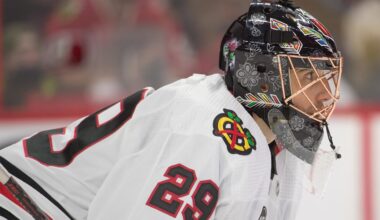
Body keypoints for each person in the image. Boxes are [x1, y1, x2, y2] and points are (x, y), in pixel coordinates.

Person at [0, 0, 343, 219]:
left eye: (325, 78)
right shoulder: (198, 128)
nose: (325, 93)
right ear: (262, 75)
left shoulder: (278, 146)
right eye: (308, 76)